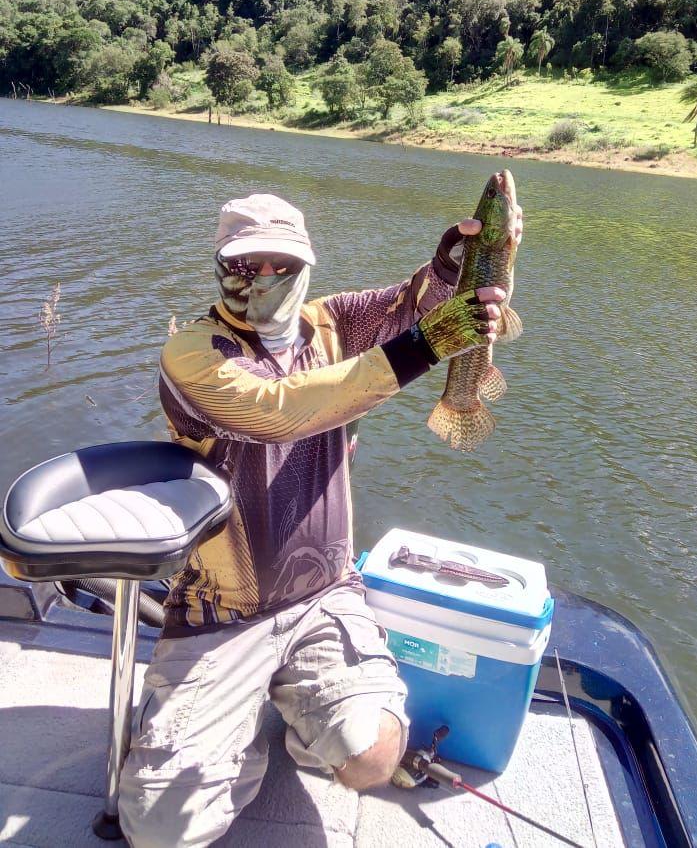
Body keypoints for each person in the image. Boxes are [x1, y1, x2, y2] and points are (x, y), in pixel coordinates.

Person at [118, 191, 522, 847]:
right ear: (221, 265)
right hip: (219, 616)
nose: (265, 277)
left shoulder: (333, 325)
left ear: (306, 263)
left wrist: (454, 268)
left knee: (375, 754)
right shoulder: (193, 355)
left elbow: (411, 306)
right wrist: (438, 338)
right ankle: (239, 736)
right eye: (247, 264)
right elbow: (282, 409)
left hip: (322, 596)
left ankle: (308, 729)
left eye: (283, 262)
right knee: (158, 829)